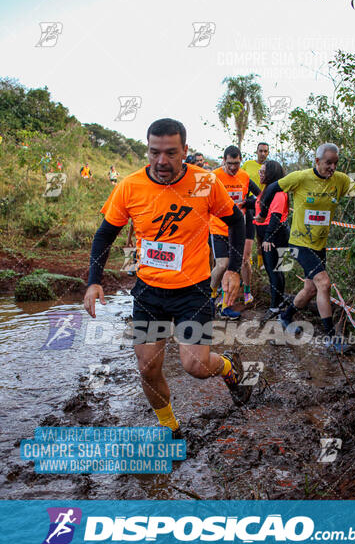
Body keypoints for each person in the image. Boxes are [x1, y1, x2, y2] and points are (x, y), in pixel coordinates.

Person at [84, 118, 253, 437]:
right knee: (147, 367)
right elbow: (104, 235)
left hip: (194, 290)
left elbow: (236, 220)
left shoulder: (204, 182)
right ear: (147, 150)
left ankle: (228, 367)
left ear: (185, 150)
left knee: (196, 366)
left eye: (171, 153)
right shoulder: (130, 185)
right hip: (149, 292)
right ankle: (170, 427)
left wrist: (232, 270)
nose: (161, 161)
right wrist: (94, 280)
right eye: (154, 152)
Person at [256, 142, 355, 352]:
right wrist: (263, 212)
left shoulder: (340, 180)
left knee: (311, 288)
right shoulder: (301, 177)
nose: (332, 167)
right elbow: (273, 188)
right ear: (317, 161)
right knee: (324, 283)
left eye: (335, 163)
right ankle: (331, 338)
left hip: (319, 244)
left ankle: (285, 316)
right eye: (328, 163)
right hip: (299, 242)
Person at [209, 146, 254, 319]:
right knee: (221, 265)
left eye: (236, 163)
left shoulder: (244, 176)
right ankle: (211, 296)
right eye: (229, 163)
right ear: (223, 160)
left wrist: (248, 202)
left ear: (240, 160)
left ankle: (227, 306)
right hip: (217, 227)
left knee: (233, 269)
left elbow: (257, 197)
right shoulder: (213, 176)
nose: (233, 167)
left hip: (237, 229)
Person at [242, 161, 289, 325]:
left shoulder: (278, 193)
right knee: (274, 270)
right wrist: (242, 203)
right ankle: (280, 303)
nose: (260, 174)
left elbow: (275, 216)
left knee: (274, 270)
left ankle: (275, 307)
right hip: (266, 233)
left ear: (272, 174)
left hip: (276, 235)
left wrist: (268, 238)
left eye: (263, 172)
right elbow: (258, 205)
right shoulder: (267, 190)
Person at [242, 142, 270, 269]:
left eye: (265, 151)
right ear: (256, 151)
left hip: (264, 203)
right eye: (261, 151)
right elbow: (240, 179)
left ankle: (261, 263)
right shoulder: (248, 165)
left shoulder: (269, 167)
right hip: (249, 203)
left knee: (261, 235)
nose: (263, 153)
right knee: (247, 235)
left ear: (268, 153)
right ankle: (247, 262)